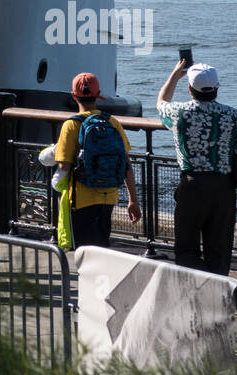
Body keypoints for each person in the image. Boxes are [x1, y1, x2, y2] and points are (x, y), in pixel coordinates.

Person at [157, 60, 237, 275]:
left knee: (186, 247)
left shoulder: (179, 112)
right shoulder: (232, 115)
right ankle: (217, 291)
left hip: (192, 186)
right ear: (217, 88)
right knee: (219, 249)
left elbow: (161, 102)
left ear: (190, 89)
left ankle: (194, 290)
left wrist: (175, 75)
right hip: (224, 187)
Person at [54, 72, 141, 250]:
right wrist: (133, 200)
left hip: (81, 197)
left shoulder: (70, 125)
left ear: (73, 96)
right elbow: (126, 164)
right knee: (102, 246)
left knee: (84, 251)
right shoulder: (113, 122)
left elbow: (64, 166)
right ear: (98, 94)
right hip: (109, 195)